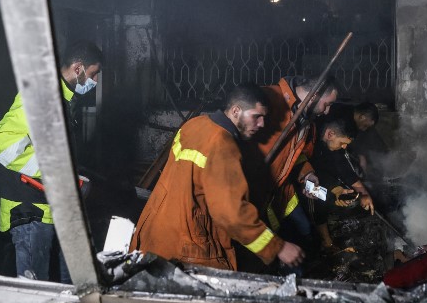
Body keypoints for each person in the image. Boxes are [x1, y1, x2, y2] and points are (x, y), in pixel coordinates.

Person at [130, 83, 304, 271]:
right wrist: (277, 247)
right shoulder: (223, 145)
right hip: (187, 247)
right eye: (257, 116)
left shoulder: (194, 125)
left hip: (155, 232)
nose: (261, 124)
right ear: (236, 111)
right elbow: (231, 213)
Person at [0, 41, 104, 283]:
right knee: (34, 293)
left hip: (44, 208)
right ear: (78, 68)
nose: (95, 81)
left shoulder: (62, 99)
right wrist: (58, 173)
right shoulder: (43, 98)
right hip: (28, 210)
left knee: (48, 288)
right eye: (94, 74)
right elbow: (0, 143)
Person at [253, 75, 340, 244]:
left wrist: (307, 175)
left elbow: (293, 153)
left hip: (279, 192)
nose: (327, 110)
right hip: (253, 193)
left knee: (302, 233)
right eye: (327, 104)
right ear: (314, 95)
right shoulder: (269, 99)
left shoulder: (305, 120)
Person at [307, 113, 374, 251]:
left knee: (331, 196)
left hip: (316, 184)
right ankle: (325, 243)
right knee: (316, 204)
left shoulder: (334, 147)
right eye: (342, 143)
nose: (344, 147)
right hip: (298, 188)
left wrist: (364, 193)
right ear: (330, 134)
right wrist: (333, 190)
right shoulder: (309, 141)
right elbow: (309, 183)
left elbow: (346, 172)